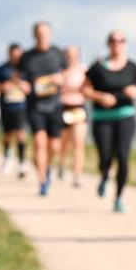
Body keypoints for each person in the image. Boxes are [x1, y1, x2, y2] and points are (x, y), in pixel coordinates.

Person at [83, 30, 136, 212]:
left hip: (125, 116)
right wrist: (100, 97)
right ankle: (105, 175)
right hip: (102, 118)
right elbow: (84, 90)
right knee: (105, 158)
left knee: (123, 156)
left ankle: (119, 197)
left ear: (126, 44)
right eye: (114, 40)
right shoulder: (98, 67)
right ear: (108, 43)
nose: (117, 43)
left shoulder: (133, 67)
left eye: (121, 40)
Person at [18, 22, 67, 196]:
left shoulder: (57, 53)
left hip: (54, 105)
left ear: (50, 35)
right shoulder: (27, 56)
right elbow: (18, 76)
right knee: (39, 141)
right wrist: (22, 84)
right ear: (34, 35)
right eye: (39, 33)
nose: (42, 36)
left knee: (54, 146)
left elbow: (66, 73)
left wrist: (61, 79)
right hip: (35, 105)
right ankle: (42, 181)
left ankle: (46, 166)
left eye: (45, 33)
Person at [0, 43, 30, 178]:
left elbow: (34, 86)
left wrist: (26, 87)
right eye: (14, 55)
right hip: (7, 107)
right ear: (9, 54)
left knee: (21, 135)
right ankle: (7, 158)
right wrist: (1, 86)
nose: (16, 58)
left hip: (22, 107)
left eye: (19, 55)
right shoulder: (1, 69)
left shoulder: (27, 69)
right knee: (7, 136)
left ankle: (22, 163)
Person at [58, 44, 89, 188]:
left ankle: (77, 175)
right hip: (62, 108)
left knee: (78, 143)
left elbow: (89, 89)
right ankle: (62, 164)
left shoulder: (84, 70)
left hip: (78, 109)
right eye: (68, 54)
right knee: (63, 143)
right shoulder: (59, 71)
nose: (70, 57)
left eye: (73, 54)